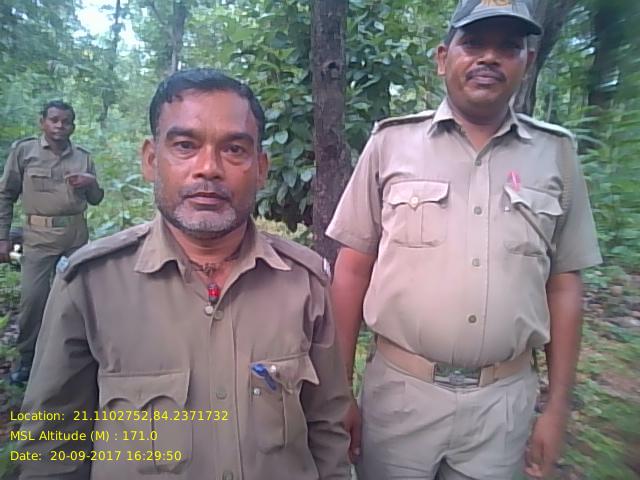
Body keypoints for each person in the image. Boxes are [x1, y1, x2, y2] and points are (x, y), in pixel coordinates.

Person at [17, 68, 351, 480]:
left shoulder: (304, 282)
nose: (208, 168)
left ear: (261, 168)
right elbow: (51, 444)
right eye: (185, 146)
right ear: (151, 159)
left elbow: (328, 431)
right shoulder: (90, 285)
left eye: (234, 149)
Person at [327, 1, 602, 479]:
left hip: (503, 406)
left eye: (508, 47)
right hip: (399, 398)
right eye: (473, 43)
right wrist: (339, 392)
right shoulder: (391, 144)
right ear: (443, 58)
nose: (489, 58)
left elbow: (564, 286)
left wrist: (557, 406)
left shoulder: (555, 154)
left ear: (526, 62)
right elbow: (351, 270)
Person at [0, 101, 104, 385]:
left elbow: (96, 199)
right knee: (33, 300)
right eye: (54, 120)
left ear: (73, 126)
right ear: (42, 122)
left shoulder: (82, 157)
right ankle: (28, 359)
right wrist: (3, 237)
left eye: (66, 121)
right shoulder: (25, 152)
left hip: (75, 238)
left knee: (78, 298)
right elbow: (6, 194)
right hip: (38, 239)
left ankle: (76, 357)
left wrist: (90, 183)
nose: (60, 126)